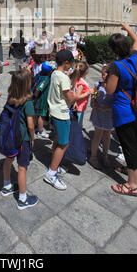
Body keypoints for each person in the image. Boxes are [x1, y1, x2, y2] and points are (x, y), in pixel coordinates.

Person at [106, 23, 137, 197]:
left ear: (114, 49)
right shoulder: (135, 57)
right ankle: (130, 169)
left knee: (129, 146)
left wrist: (106, 76)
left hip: (124, 111)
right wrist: (127, 28)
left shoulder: (116, 66)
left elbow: (110, 90)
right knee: (134, 141)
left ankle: (132, 185)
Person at [43, 49, 82, 190]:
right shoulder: (64, 78)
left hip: (54, 112)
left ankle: (54, 164)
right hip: (62, 113)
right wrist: (79, 93)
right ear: (66, 63)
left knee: (58, 139)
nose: (72, 65)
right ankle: (51, 173)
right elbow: (70, 98)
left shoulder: (55, 73)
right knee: (63, 144)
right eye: (71, 63)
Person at [1, 69, 38, 210]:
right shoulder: (27, 102)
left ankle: (6, 186)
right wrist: (32, 138)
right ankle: (23, 198)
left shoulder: (10, 97)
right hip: (22, 138)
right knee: (22, 167)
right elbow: (30, 125)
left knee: (9, 159)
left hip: (10, 136)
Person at [89, 65, 113, 169]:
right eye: (102, 74)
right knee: (98, 135)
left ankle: (105, 156)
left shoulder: (114, 87)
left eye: (105, 74)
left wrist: (108, 108)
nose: (103, 76)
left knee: (107, 135)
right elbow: (93, 95)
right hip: (98, 113)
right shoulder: (98, 85)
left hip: (108, 115)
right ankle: (93, 157)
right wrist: (93, 101)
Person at [70, 61, 94, 129]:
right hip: (79, 106)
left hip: (80, 106)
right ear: (86, 71)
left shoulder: (78, 79)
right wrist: (88, 93)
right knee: (77, 124)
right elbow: (77, 96)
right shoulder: (81, 83)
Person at [34, 61, 53, 139]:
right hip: (41, 100)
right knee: (41, 115)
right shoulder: (46, 79)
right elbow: (39, 89)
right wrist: (36, 97)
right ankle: (40, 131)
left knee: (37, 114)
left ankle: (36, 125)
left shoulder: (41, 73)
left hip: (40, 99)